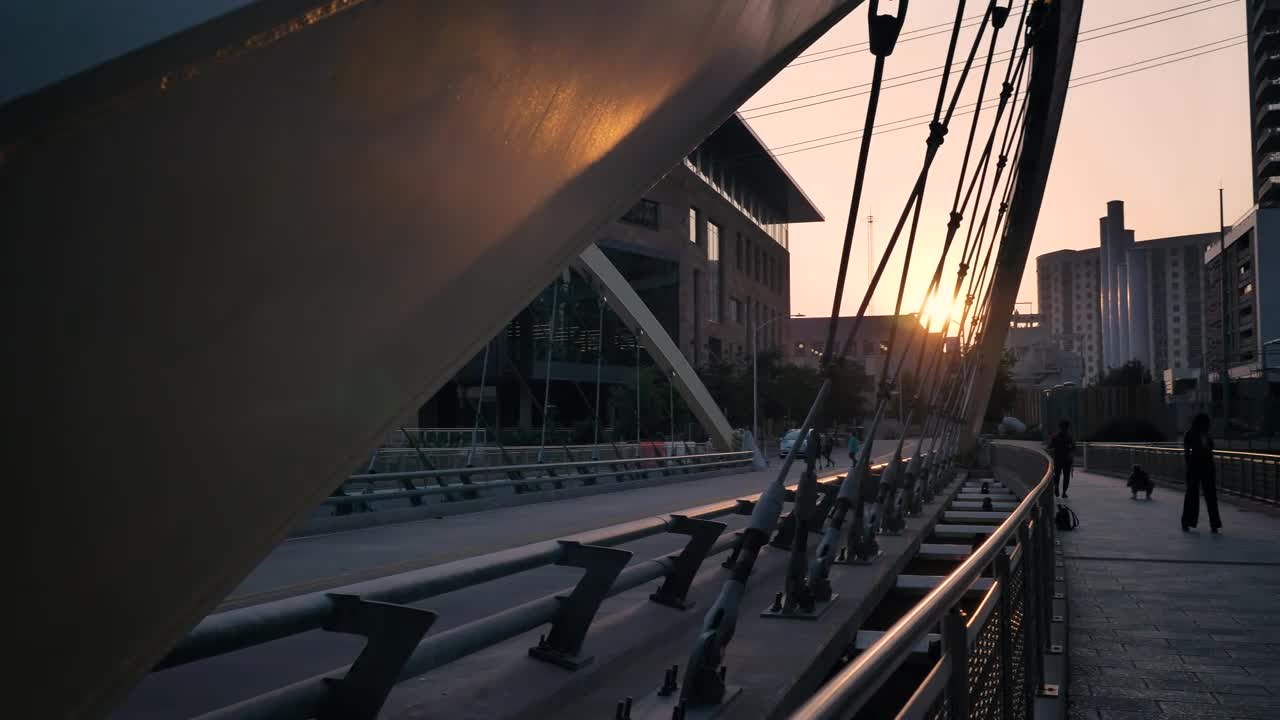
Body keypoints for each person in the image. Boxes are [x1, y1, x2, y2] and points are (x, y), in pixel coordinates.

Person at [1181, 413, 1222, 533]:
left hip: (1195, 467)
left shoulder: (1190, 433)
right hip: (1206, 467)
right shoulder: (1205, 435)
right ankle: (1214, 523)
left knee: (1192, 495)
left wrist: (1189, 466)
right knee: (1210, 496)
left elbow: (1187, 453)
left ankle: (1188, 521)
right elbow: (1208, 450)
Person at [1048, 420, 1074, 498]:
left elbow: (1050, 447)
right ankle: (1063, 492)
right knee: (1065, 476)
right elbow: (1074, 448)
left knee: (1058, 475)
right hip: (1065, 460)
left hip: (1059, 459)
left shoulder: (1055, 436)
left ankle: (1058, 488)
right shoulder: (1069, 437)